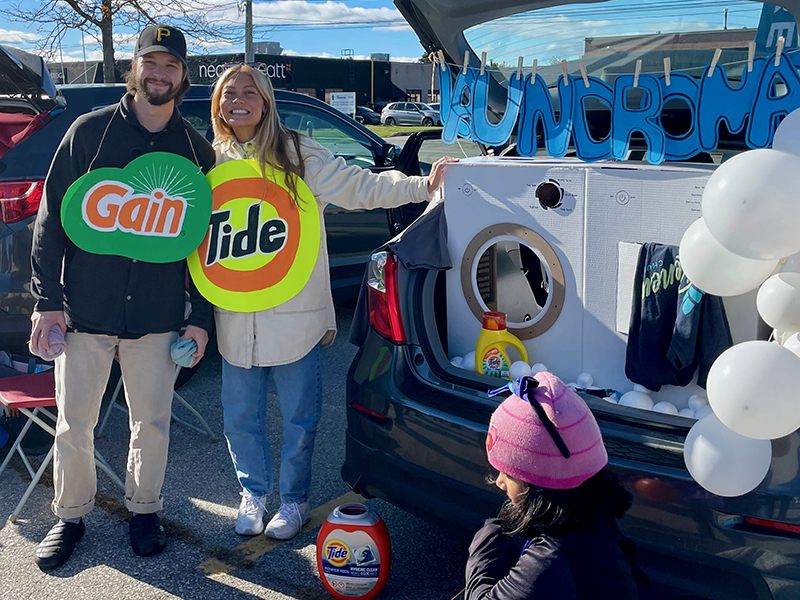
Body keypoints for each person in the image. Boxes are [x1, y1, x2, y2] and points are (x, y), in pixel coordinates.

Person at [207, 64, 454, 540]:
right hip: (235, 314)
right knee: (240, 417)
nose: (238, 100)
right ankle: (252, 493)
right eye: (228, 92)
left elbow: (361, 186)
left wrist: (421, 185)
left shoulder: (297, 153)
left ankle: (293, 500)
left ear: (265, 101)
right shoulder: (211, 162)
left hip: (295, 314)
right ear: (219, 103)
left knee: (300, 416)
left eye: (249, 92)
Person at [29, 24, 215, 571]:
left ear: (182, 76)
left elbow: (208, 250)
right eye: (150, 63)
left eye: (170, 66)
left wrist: (200, 319)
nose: (159, 74)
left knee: (152, 422)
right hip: (86, 311)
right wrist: (48, 300)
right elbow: (50, 221)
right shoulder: (89, 134)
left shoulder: (195, 150)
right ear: (133, 69)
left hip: (157, 318)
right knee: (74, 422)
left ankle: (145, 509)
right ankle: (71, 514)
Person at [465, 373, 643, 600]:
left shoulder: (547, 563)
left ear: (543, 488)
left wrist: (488, 538)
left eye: (509, 474)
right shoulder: (591, 514)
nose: (500, 482)